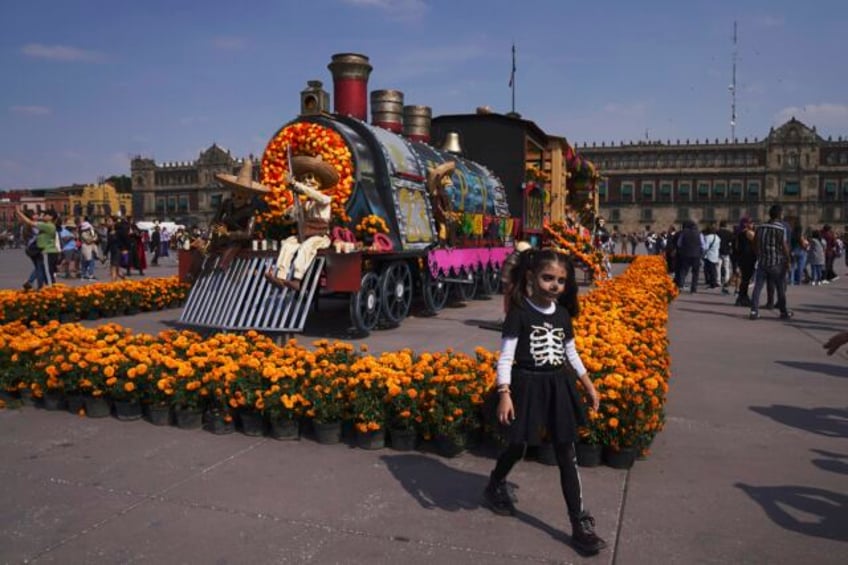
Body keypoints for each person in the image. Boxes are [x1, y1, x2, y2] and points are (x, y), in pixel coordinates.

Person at [483, 248, 606, 556]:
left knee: (566, 450)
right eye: (548, 278)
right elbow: (506, 357)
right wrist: (504, 393)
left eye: (561, 281)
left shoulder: (563, 315)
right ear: (531, 277)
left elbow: (570, 352)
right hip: (525, 385)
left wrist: (588, 384)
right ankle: (495, 482)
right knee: (517, 445)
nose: (554, 286)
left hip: (557, 385)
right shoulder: (519, 313)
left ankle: (579, 523)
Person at [265, 155, 338, 292]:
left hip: (320, 237)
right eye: (304, 178)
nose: (306, 181)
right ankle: (280, 276)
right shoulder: (304, 204)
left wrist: (296, 185)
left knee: (307, 247)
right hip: (305, 233)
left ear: (319, 182)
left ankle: (297, 279)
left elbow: (314, 195)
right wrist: (289, 213)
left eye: (310, 177)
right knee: (288, 243)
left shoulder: (325, 199)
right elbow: (292, 218)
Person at [749, 204, 792, 320]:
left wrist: (758, 254)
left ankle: (754, 311)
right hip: (776, 262)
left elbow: (754, 243)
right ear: (779, 215)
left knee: (757, 287)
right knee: (780, 288)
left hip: (762, 261)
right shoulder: (781, 228)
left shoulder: (760, 227)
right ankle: (783, 312)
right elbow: (784, 246)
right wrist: (788, 260)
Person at [16, 207, 59, 288]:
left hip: (47, 251)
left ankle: (50, 291)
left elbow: (30, 222)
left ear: (51, 217)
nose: (43, 215)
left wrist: (19, 213)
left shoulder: (47, 226)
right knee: (46, 271)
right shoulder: (49, 225)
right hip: (50, 251)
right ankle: (50, 289)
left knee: (46, 273)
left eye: (46, 214)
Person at [500, 240, 532, 315]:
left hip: (514, 283)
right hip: (511, 283)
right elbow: (506, 274)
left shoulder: (519, 258)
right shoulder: (513, 259)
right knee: (510, 300)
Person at [674, 220, 704, 293]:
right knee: (695, 272)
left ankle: (681, 285)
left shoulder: (684, 233)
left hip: (685, 254)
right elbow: (703, 245)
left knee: (683, 270)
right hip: (696, 255)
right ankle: (693, 289)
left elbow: (679, 244)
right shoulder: (699, 234)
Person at [716, 220, 734, 294]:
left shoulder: (717, 232)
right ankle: (726, 281)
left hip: (718, 251)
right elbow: (731, 242)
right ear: (726, 225)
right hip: (726, 252)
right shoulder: (729, 233)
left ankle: (718, 281)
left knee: (718, 267)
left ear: (720, 225)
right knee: (726, 267)